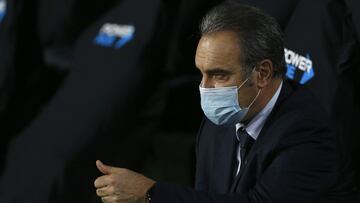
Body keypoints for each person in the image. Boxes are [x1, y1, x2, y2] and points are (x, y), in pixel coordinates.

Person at [94, 2, 357, 202]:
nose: (204, 88)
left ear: (262, 73)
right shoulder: (219, 123)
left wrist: (151, 193)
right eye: (201, 73)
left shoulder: (308, 131)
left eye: (219, 74)